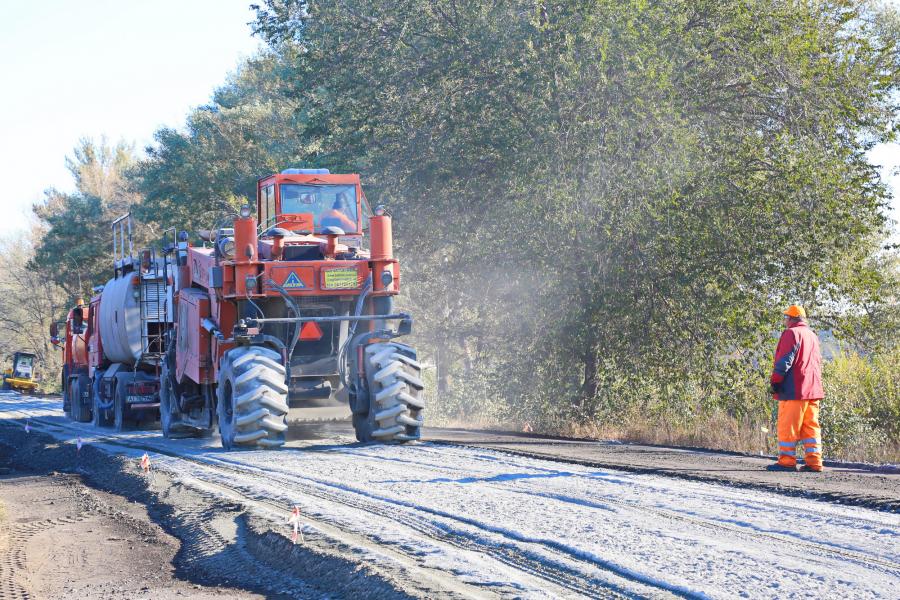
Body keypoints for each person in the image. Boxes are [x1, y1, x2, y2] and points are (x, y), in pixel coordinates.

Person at [767, 305, 825, 472]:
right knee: (811, 426)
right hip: (813, 390)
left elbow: (784, 361)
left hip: (794, 390)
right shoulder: (812, 335)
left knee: (788, 426)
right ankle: (814, 462)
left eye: (786, 317)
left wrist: (775, 381)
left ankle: (786, 461)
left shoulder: (791, 333)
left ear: (791, 318)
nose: (784, 320)